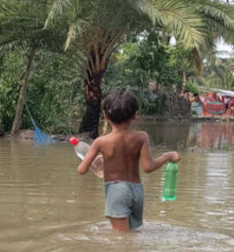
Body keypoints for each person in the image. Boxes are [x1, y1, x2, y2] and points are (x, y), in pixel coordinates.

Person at [77, 89, 180, 232]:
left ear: (105, 116)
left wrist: (95, 162)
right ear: (135, 115)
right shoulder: (141, 137)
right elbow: (148, 167)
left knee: (121, 239)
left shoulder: (101, 142)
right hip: (137, 192)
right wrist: (167, 156)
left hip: (116, 191)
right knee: (132, 235)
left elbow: (82, 170)